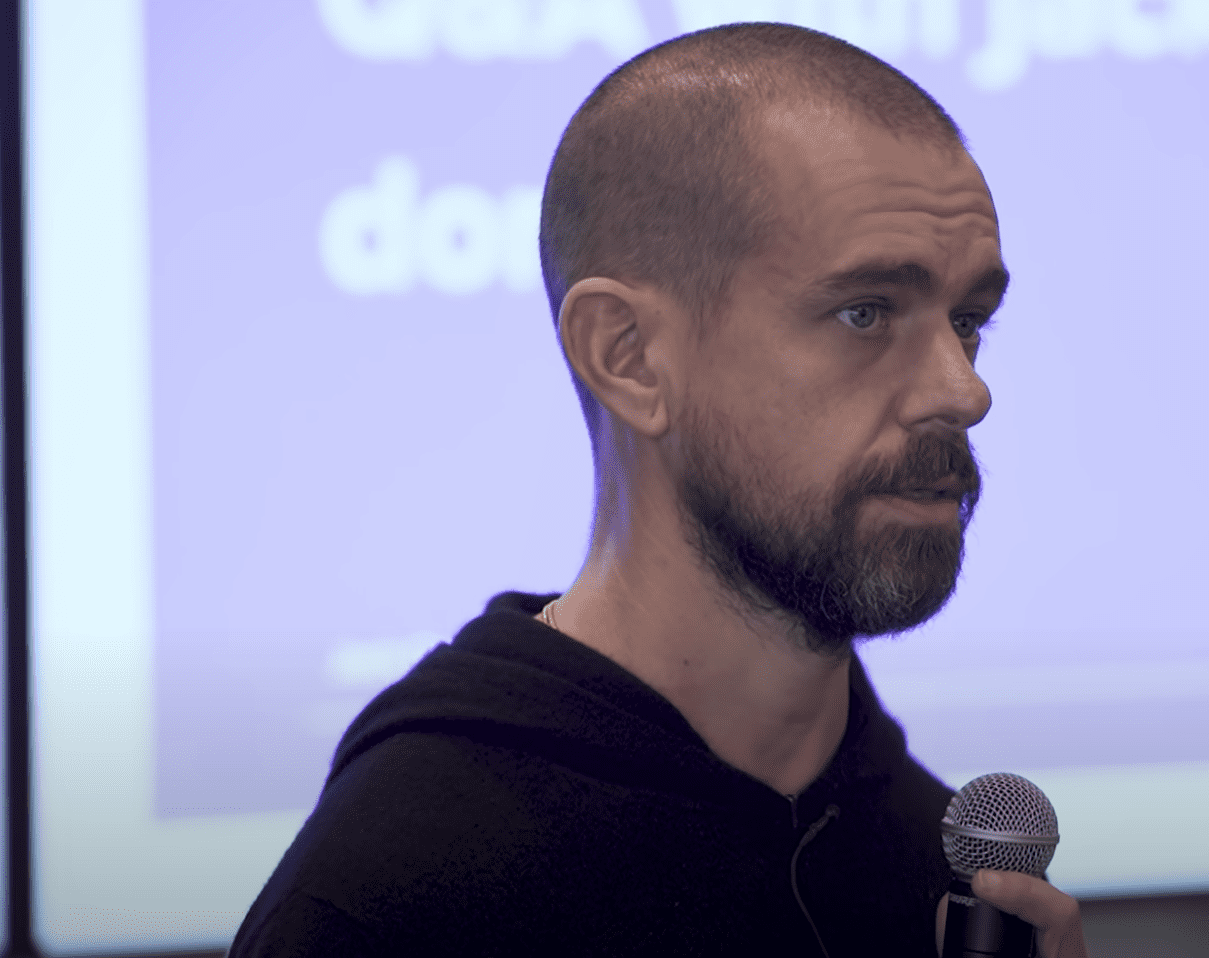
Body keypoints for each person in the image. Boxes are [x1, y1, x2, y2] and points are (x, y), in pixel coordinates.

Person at [230, 22, 1086, 958]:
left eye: (968, 320)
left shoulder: (938, 879)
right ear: (628, 356)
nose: (964, 392)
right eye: (865, 312)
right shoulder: (395, 899)